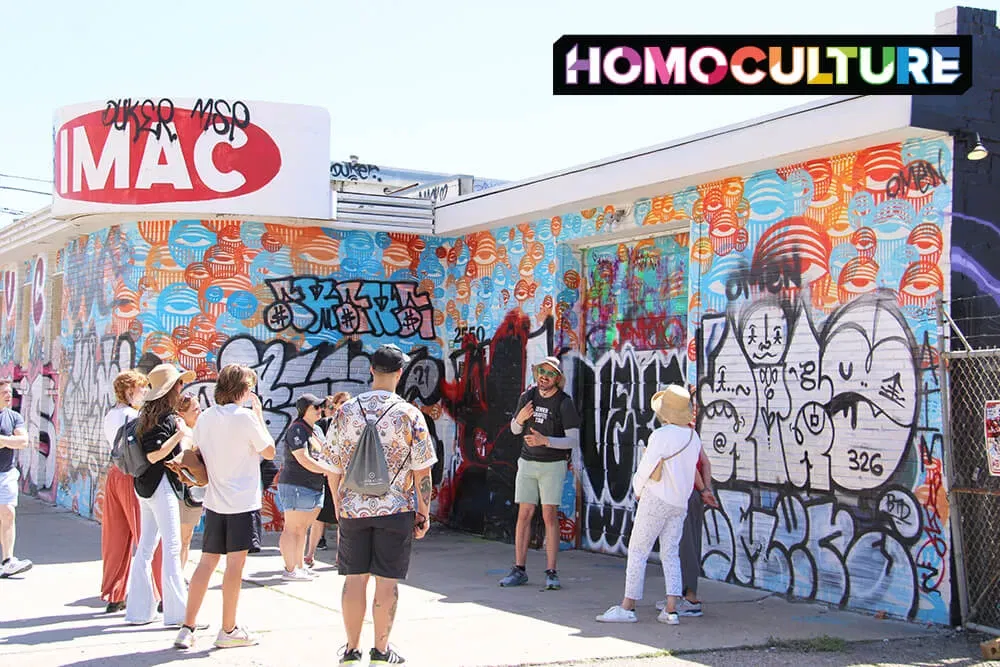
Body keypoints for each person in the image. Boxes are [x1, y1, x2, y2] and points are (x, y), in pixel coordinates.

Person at [329, 344, 437, 666]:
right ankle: (380, 650)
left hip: (352, 509)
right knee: (386, 582)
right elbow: (423, 470)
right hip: (396, 510)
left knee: (354, 579)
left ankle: (350, 650)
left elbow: (333, 466)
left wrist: (338, 504)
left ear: (371, 370)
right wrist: (424, 511)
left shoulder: (346, 411)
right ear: (400, 373)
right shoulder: (410, 414)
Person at [174, 364, 276, 650]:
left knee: (206, 563)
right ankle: (228, 629)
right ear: (243, 390)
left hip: (215, 502)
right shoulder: (245, 418)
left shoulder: (205, 417)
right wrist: (258, 416)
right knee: (235, 567)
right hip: (243, 503)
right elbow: (268, 451)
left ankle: (187, 626)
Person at [596, 385, 702, 625]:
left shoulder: (661, 436)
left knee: (638, 551)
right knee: (671, 554)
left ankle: (628, 606)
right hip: (679, 504)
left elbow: (645, 468)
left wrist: (636, 489)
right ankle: (672, 609)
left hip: (656, 499)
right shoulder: (693, 437)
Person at [499, 356, 581, 591]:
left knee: (549, 515)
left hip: (552, 465)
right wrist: (520, 418)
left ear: (558, 378)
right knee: (523, 514)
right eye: (541, 371)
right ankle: (519, 568)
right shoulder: (528, 397)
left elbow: (573, 440)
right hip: (527, 462)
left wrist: (546, 441)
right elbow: (515, 430)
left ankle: (552, 571)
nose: (544, 376)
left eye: (550, 372)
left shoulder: (564, 402)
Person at [125, 364, 194, 627]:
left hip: (144, 486)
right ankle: (178, 614)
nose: (181, 388)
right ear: (169, 390)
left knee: (145, 548)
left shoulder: (146, 417)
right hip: (160, 485)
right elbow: (154, 455)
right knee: (171, 547)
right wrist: (179, 434)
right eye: (178, 384)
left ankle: (140, 611)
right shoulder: (163, 420)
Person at [101, 370, 164, 612]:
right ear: (129, 392)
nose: (145, 393)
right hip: (133, 475)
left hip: (115, 474)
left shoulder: (112, 414)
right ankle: (162, 591)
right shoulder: (134, 416)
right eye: (141, 388)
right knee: (148, 534)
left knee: (116, 537)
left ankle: (114, 593)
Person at [277, 393, 340, 580]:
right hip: (296, 485)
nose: (320, 410)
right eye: (316, 407)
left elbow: (326, 453)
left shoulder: (317, 430)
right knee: (292, 528)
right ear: (304, 410)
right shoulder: (297, 430)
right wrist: (327, 471)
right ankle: (289, 570)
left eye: (321, 407)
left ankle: (299, 566)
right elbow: (303, 458)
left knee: (302, 528)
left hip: (314, 485)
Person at [307, 391, 351, 563]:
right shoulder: (326, 423)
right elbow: (316, 446)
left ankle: (340, 556)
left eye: (347, 403)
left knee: (342, 518)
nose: (344, 406)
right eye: (341, 403)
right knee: (319, 518)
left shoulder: (352, 425)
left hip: (345, 477)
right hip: (326, 476)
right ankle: (310, 553)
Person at [170, 392, 206, 572]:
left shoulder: (195, 430)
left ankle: (178, 574)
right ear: (181, 413)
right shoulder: (186, 433)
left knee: (185, 539)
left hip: (191, 492)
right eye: (195, 409)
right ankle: (175, 576)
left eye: (199, 408)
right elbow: (185, 459)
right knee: (182, 539)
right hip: (185, 492)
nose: (199, 412)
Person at [0, 378, 31, 578]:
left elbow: (23, 441)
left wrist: (3, 440)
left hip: (6, 473)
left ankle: (8, 560)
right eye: (4, 392)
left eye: (10, 392)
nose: (9, 395)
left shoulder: (14, 417)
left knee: (8, 513)